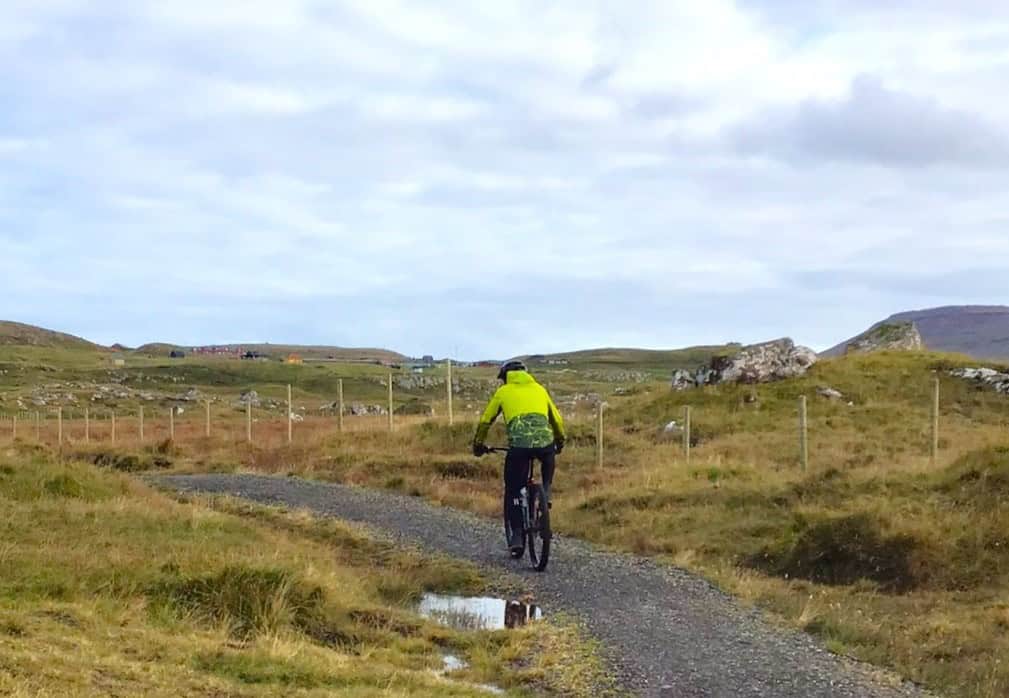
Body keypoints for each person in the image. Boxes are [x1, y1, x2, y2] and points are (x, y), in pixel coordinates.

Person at [473, 359, 566, 554]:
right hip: (545, 444)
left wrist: (478, 445)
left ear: (505, 377)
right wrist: (560, 441)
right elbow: (556, 419)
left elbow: (485, 420)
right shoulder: (539, 389)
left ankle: (516, 535)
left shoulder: (503, 392)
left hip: (519, 447)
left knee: (514, 487)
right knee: (548, 459)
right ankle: (546, 490)